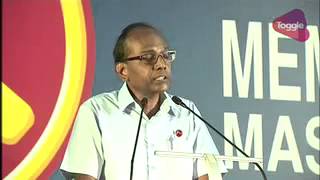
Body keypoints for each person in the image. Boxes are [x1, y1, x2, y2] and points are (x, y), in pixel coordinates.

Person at [60, 22, 227, 180]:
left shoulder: (186, 112)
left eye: (166, 55)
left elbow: (209, 173)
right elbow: (84, 175)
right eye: (149, 57)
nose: (161, 64)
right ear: (123, 70)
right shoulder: (97, 111)